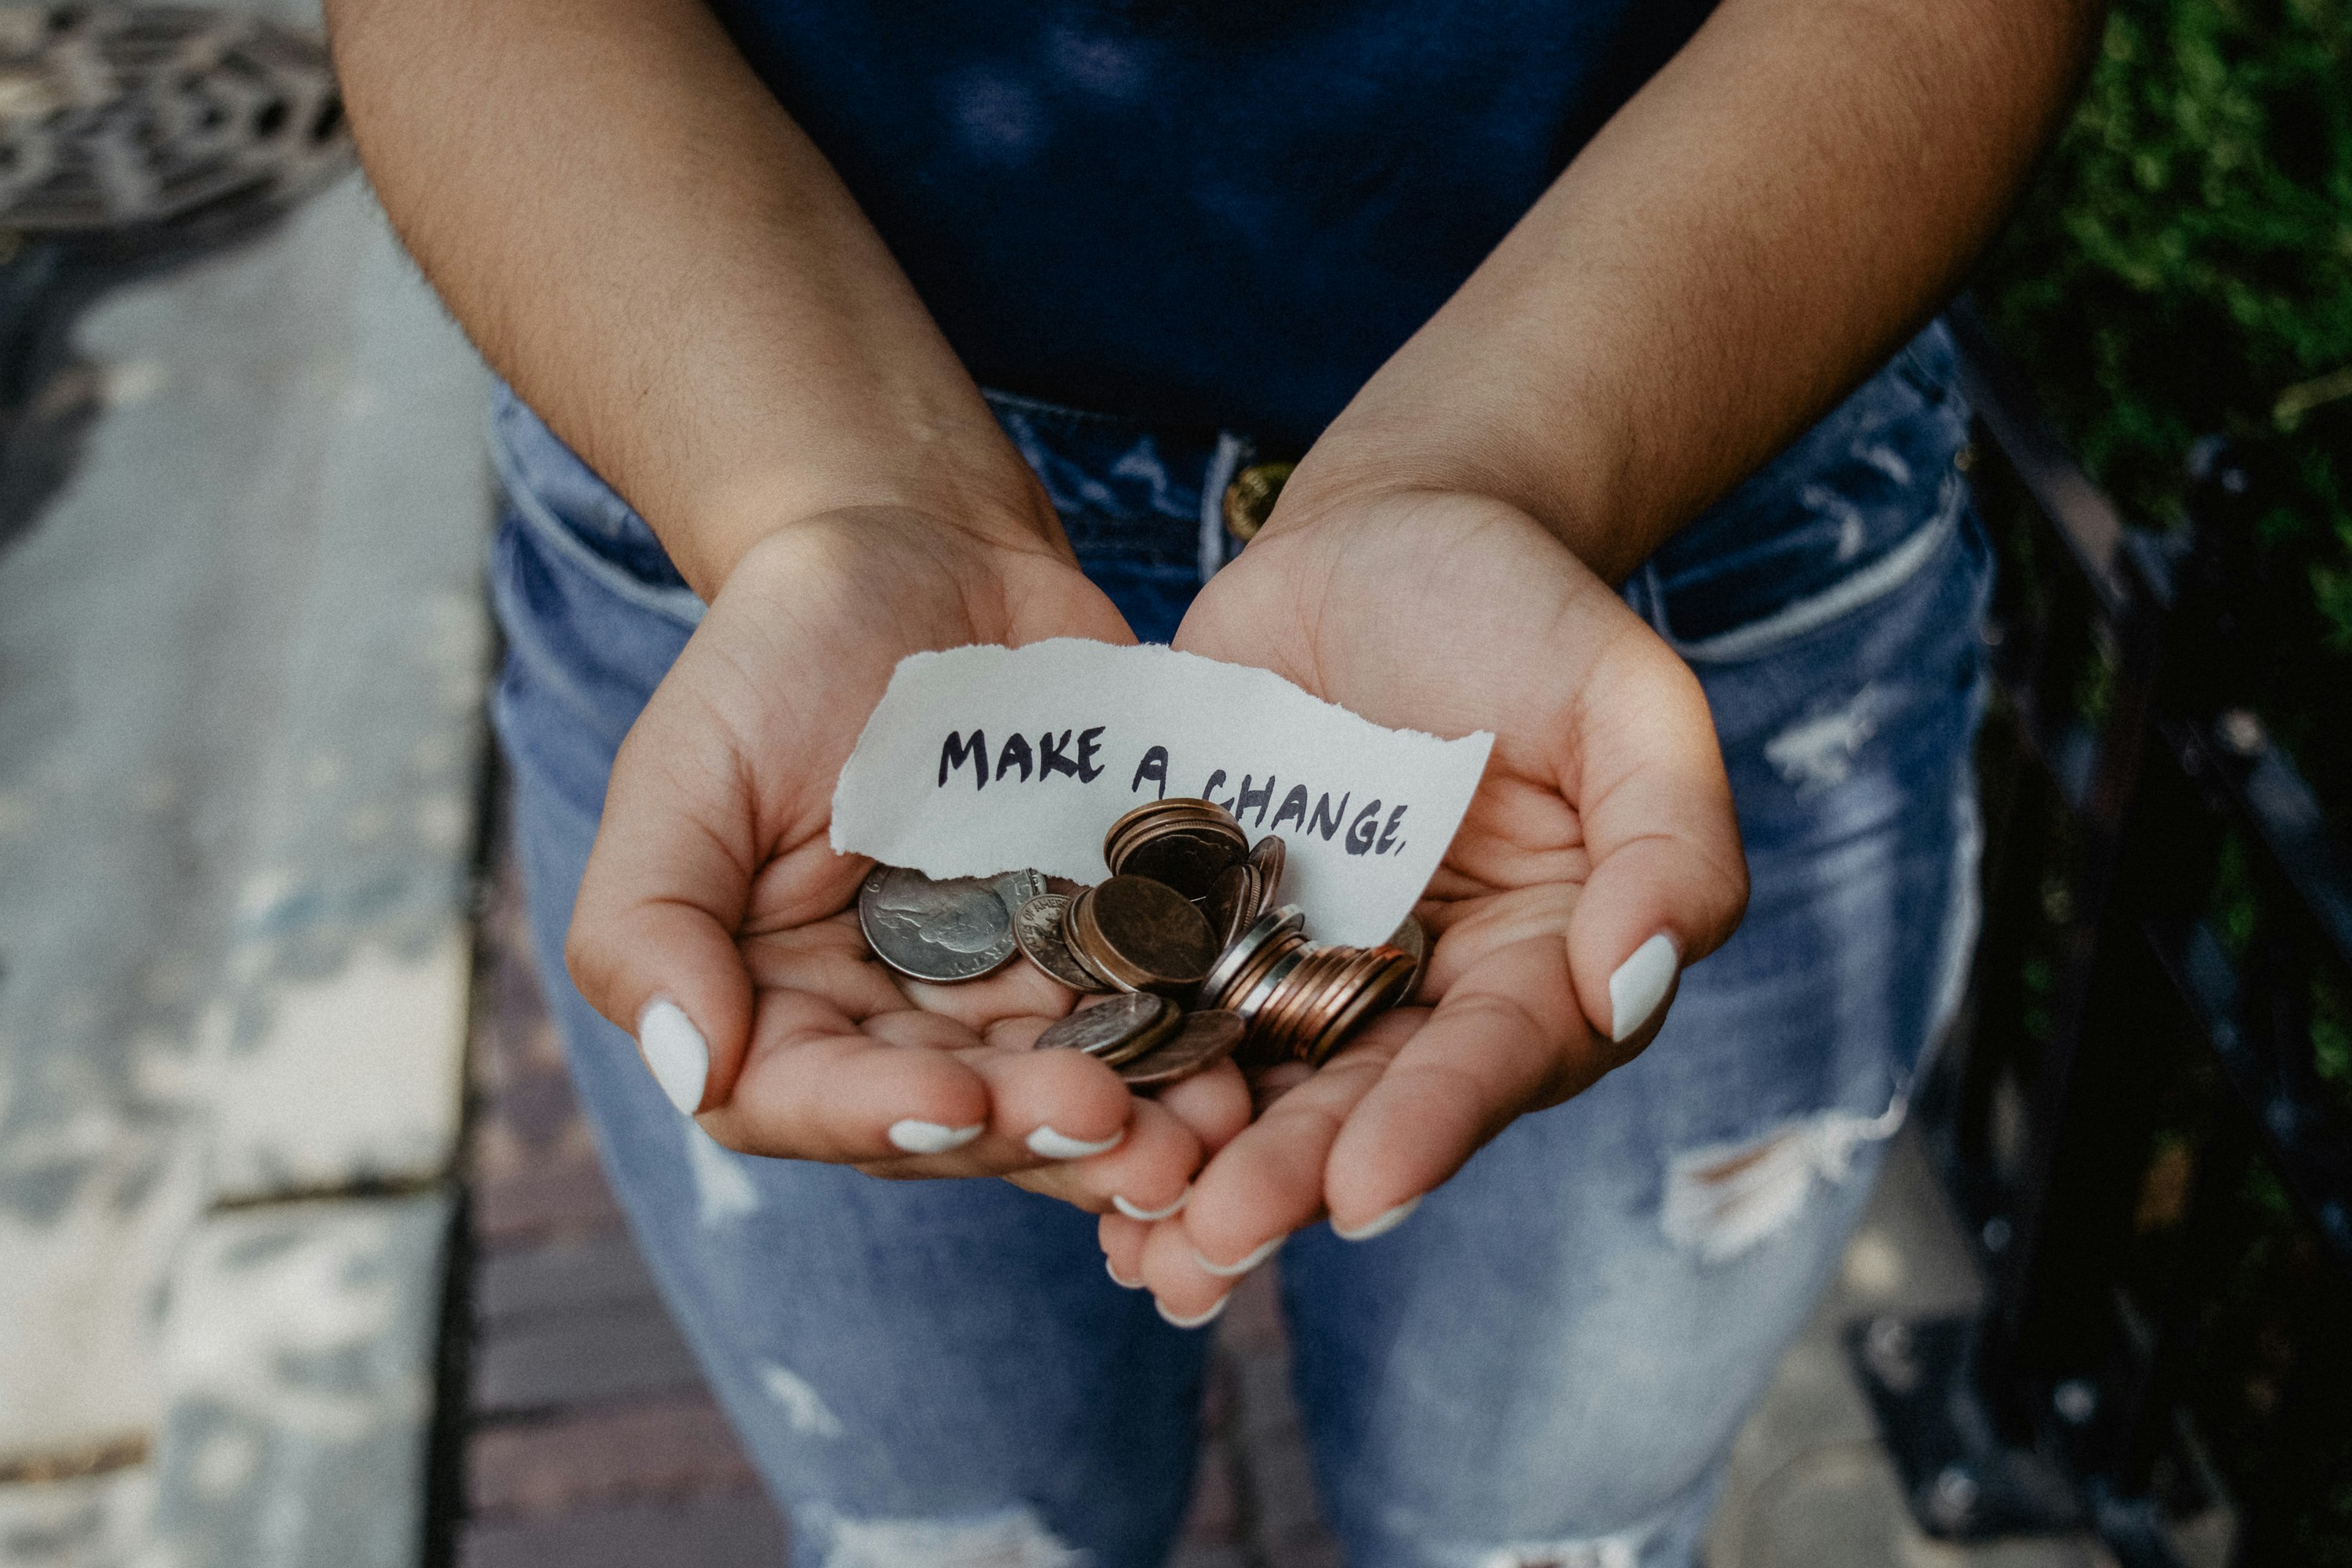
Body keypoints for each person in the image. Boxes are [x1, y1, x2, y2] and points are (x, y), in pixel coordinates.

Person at [331, 1, 2100, 1563]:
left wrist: (1496, 471)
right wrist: (823, 512)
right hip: (745, 506)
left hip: (1681, 482)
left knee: (1549, 1549)